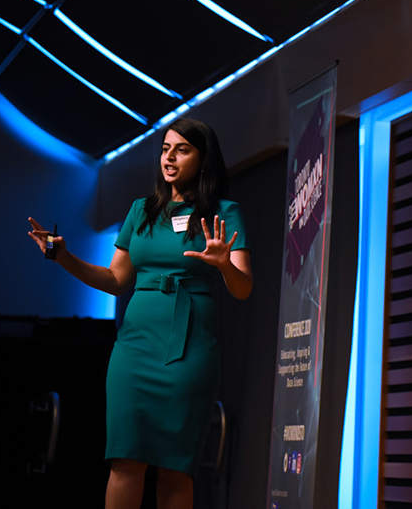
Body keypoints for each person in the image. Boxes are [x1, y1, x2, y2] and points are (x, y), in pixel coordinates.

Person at [27, 118, 252, 509]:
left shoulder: (222, 212)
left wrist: (223, 264)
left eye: (182, 150)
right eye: (165, 149)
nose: (169, 158)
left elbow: (243, 287)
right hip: (134, 349)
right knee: (125, 460)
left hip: (189, 349)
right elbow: (116, 278)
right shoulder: (141, 210)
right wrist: (63, 256)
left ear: (203, 158)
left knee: (174, 467)